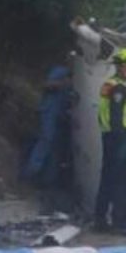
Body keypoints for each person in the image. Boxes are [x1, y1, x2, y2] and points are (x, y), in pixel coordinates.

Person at [93, 47, 126, 232]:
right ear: (120, 68)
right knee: (122, 180)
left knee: (108, 179)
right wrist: (123, 143)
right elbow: (116, 116)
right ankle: (120, 221)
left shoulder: (108, 85)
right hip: (119, 137)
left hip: (109, 136)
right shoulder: (119, 88)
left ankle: (101, 219)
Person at [25, 65, 77, 212]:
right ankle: (32, 173)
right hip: (50, 115)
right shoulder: (62, 72)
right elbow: (47, 85)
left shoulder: (72, 86)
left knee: (55, 152)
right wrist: (62, 84)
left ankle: (49, 183)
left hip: (59, 120)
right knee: (45, 143)